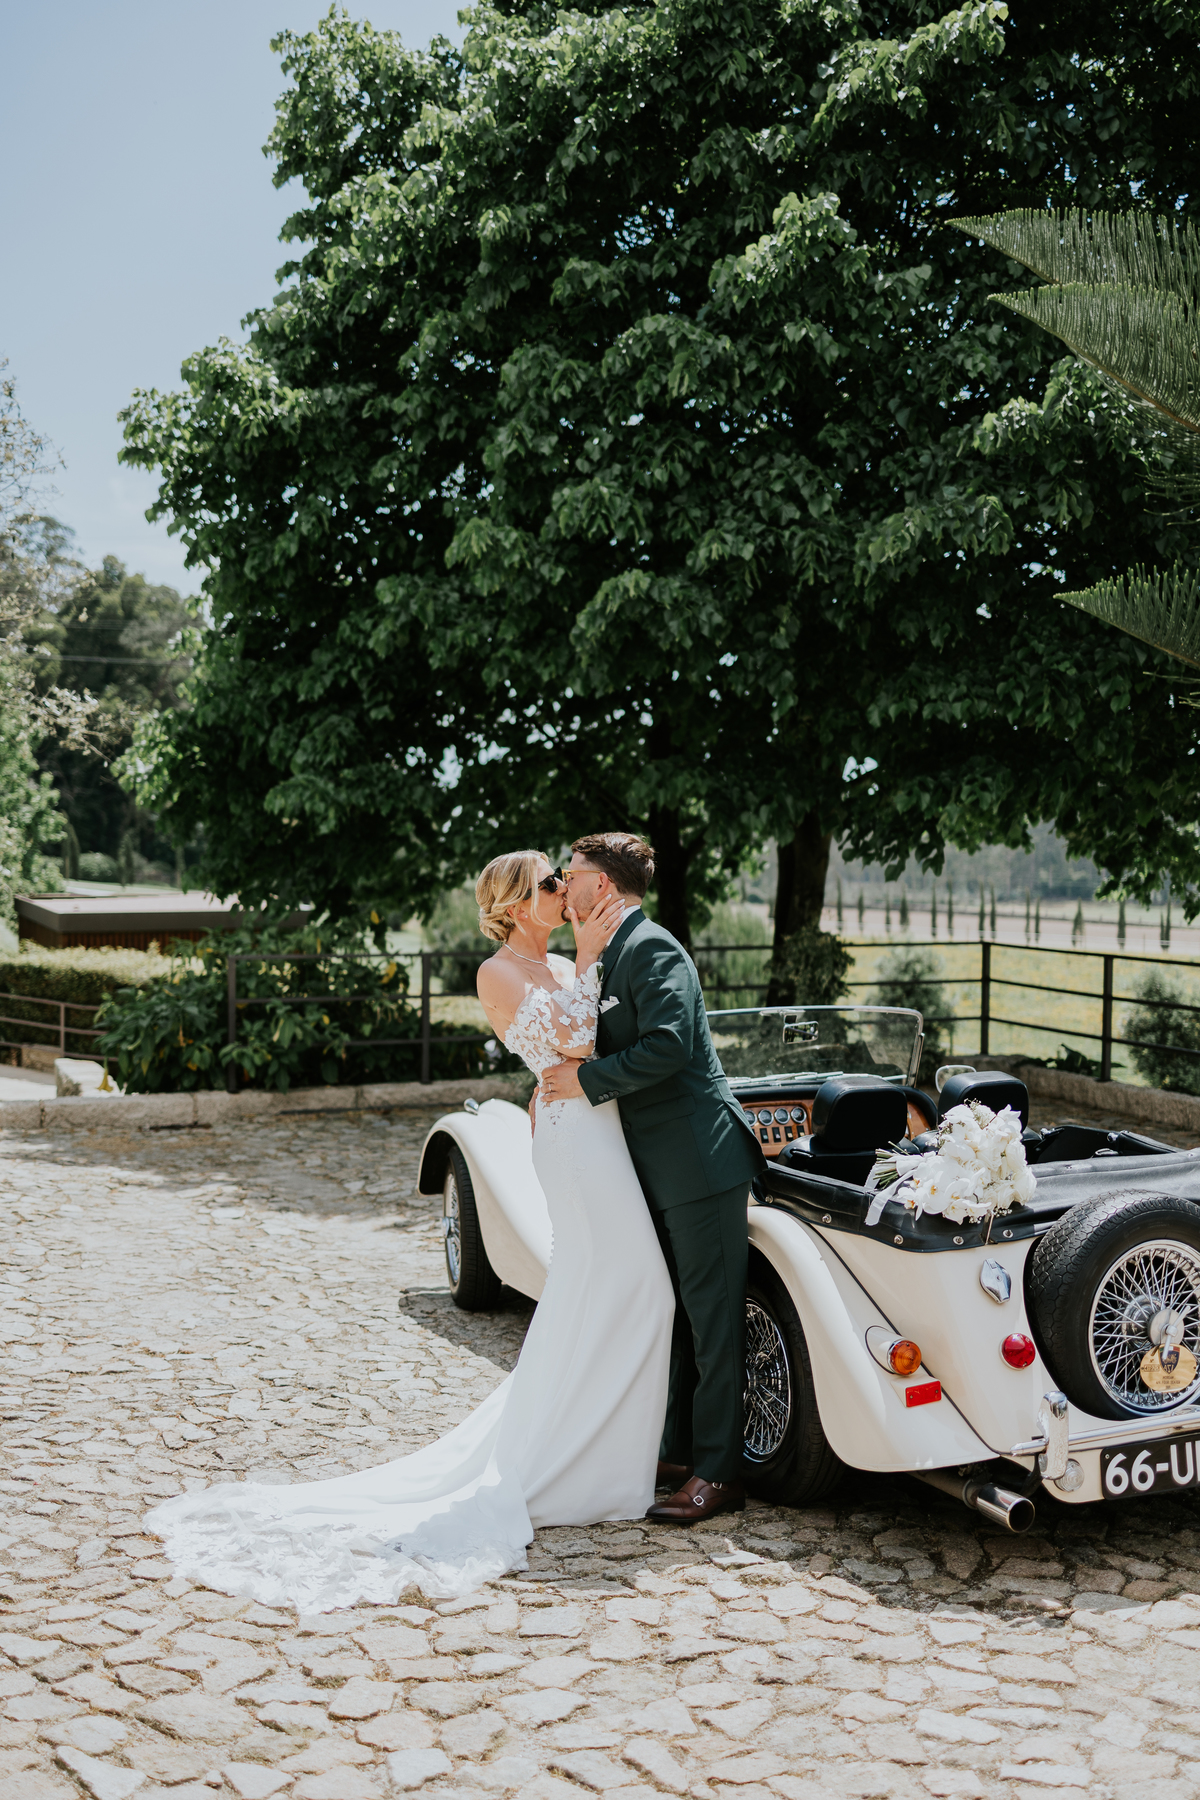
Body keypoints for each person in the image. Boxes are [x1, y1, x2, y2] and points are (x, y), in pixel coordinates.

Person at [145, 851, 674, 1611]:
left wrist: (584, 969)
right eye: (550, 883)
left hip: (598, 1130)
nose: (565, 890)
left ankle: (601, 1458)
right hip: (573, 1142)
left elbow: (600, 1039)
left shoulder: (563, 965)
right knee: (623, 1286)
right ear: (517, 904)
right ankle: (576, 1466)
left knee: (619, 1291)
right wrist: (592, 961)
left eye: (564, 879)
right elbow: (582, 1042)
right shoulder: (499, 973)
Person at [538, 833, 765, 1524]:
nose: (562, 883)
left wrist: (585, 1082)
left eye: (570, 873)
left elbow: (668, 1045)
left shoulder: (653, 948)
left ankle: (719, 1472)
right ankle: (676, 1451)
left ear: (601, 885)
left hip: (699, 1161)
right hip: (653, 1167)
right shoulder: (608, 953)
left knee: (712, 1320)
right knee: (672, 1313)